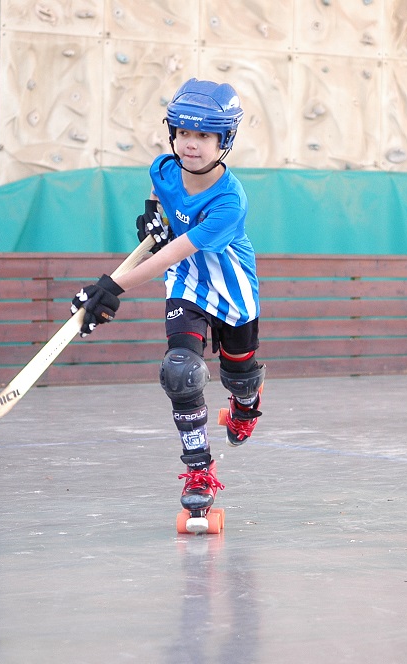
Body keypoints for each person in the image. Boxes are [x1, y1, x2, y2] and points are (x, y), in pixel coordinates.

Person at [70, 78, 264, 520]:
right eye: (182, 133)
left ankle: (245, 407)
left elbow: (175, 250)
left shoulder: (230, 201)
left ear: (225, 140)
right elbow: (162, 205)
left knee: (241, 379)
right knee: (180, 372)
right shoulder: (162, 168)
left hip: (233, 292)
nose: (189, 144)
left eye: (203, 135)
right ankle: (199, 471)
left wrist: (111, 288)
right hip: (187, 286)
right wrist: (152, 216)